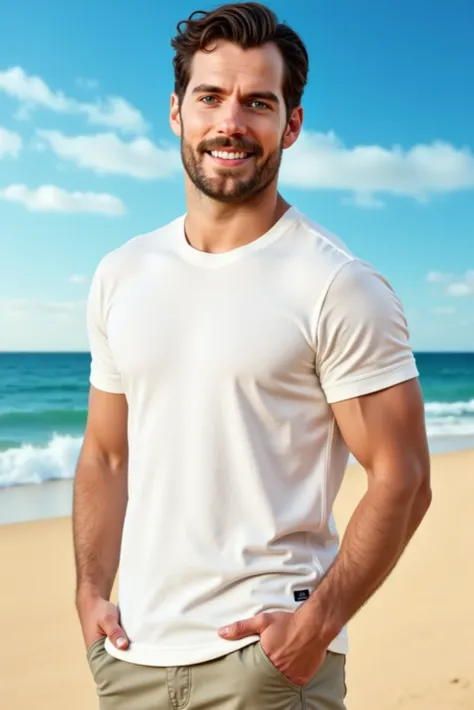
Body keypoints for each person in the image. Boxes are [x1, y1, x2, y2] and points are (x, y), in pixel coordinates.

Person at [73, 3, 432, 708]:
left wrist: (315, 625)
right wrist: (89, 591)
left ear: (290, 125)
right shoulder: (122, 272)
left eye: (257, 103)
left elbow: (404, 477)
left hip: (262, 667)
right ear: (176, 112)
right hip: (130, 659)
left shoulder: (337, 284)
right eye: (210, 97)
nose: (230, 123)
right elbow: (106, 454)